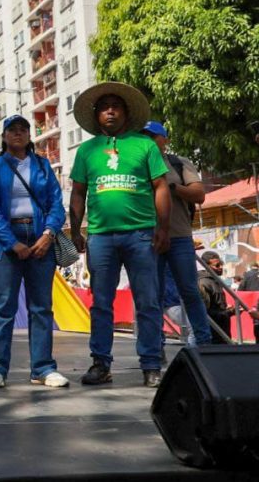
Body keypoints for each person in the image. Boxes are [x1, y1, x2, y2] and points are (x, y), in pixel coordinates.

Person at [69, 82, 170, 388]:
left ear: (126, 112)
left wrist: (162, 228)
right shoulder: (86, 150)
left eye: (116, 106)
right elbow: (77, 192)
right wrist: (76, 230)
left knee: (148, 301)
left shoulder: (146, 146)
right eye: (104, 107)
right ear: (96, 115)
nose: (110, 110)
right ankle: (101, 364)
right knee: (101, 302)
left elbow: (161, 187)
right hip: (100, 237)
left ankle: (151, 365)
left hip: (141, 235)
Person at [0, 115, 68, 389]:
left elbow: (56, 203)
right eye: (12, 130)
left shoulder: (42, 166)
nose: (18, 134)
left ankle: (42, 368)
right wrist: (11, 243)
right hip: (6, 242)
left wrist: (48, 234)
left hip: (41, 238)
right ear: (3, 137)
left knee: (41, 307)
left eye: (23, 130)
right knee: (3, 306)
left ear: (29, 136)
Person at [139, 121, 211, 347]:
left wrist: (170, 188)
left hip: (179, 236)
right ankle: (154, 347)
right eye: (144, 136)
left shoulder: (179, 163)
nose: (147, 140)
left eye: (153, 136)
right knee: (152, 296)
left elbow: (199, 194)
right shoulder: (136, 165)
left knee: (190, 291)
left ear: (165, 140)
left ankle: (203, 343)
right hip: (148, 238)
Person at [197, 252, 232, 344]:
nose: (221, 267)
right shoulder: (204, 282)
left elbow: (216, 305)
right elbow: (205, 312)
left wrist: (227, 309)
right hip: (214, 333)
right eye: (217, 265)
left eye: (221, 264)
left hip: (222, 329)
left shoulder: (214, 281)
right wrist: (228, 312)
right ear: (207, 266)